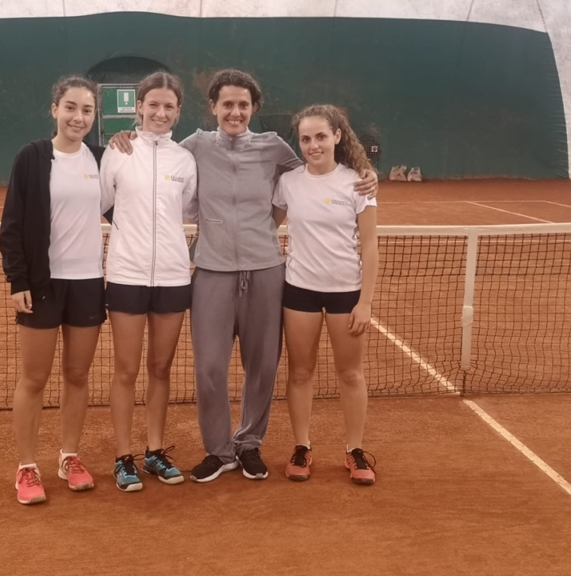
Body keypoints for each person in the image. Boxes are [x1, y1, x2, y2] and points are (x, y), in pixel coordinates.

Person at [109, 69, 378, 484]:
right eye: (227, 104)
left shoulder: (273, 148)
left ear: (254, 108)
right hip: (211, 273)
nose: (235, 112)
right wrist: (125, 134)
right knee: (209, 369)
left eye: (243, 105)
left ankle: (249, 444)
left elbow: (315, 171)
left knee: (263, 367)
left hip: (266, 273)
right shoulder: (195, 146)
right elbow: (155, 146)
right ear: (213, 107)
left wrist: (362, 170)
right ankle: (219, 451)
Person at [0, 76, 110, 505]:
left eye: (86, 110)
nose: (78, 117)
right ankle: (27, 466)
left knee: (77, 376)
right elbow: (12, 223)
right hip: (42, 285)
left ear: (94, 115)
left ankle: (69, 457)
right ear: (55, 109)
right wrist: (18, 280)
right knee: (34, 378)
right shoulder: (31, 157)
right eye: (70, 107)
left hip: (87, 283)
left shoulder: (101, 159)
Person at [100, 72, 198, 492]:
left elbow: (189, 208)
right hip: (126, 274)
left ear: (178, 111)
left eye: (168, 106)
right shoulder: (118, 151)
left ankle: (155, 451)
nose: (160, 112)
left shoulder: (185, 160)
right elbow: (102, 202)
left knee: (160, 368)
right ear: (139, 106)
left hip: (174, 276)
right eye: (153, 104)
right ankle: (123, 457)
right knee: (126, 369)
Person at [272, 104, 378, 485]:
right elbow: (266, 226)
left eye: (320, 136)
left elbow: (370, 246)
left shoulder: (358, 183)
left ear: (337, 136)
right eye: (305, 138)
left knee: (350, 373)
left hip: (345, 294)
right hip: (299, 290)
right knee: (300, 372)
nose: (313, 145)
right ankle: (302, 446)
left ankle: (355, 450)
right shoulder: (289, 182)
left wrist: (365, 302)